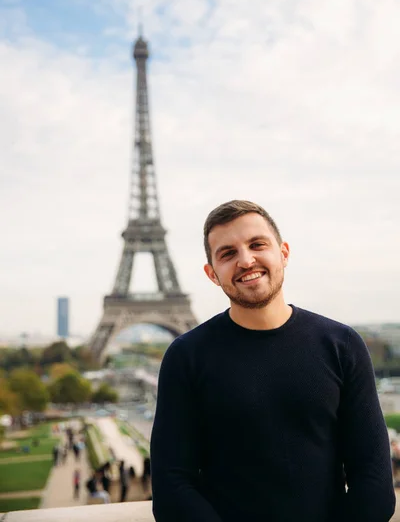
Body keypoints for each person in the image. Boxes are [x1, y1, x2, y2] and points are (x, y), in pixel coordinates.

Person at [150, 200, 396, 522]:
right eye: (228, 253)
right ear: (212, 274)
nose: (246, 260)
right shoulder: (185, 357)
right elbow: (170, 485)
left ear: (284, 253)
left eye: (257, 245)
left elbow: (374, 479)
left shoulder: (343, 346)